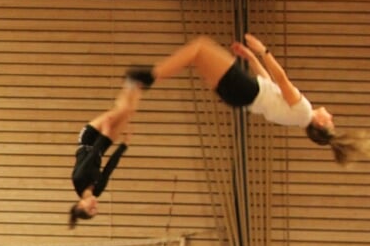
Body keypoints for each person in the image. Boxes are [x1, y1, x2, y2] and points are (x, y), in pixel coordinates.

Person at [127, 33, 370, 165]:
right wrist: (251, 58)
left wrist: (263, 50)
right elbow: (271, 86)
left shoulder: (304, 111)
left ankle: (151, 76)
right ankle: (149, 77)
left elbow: (281, 79)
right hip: (240, 98)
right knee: (197, 56)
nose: (331, 116)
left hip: (246, 90)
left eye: (330, 121)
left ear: (320, 124)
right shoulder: (296, 118)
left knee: (200, 47)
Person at [69, 80, 143, 228]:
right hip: (102, 145)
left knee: (121, 110)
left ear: (81, 204)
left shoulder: (79, 179)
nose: (95, 205)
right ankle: (139, 86)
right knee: (129, 113)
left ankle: (131, 82)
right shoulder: (98, 190)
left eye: (91, 208)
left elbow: (92, 155)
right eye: (95, 209)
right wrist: (124, 145)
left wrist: (105, 132)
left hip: (89, 140)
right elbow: (109, 168)